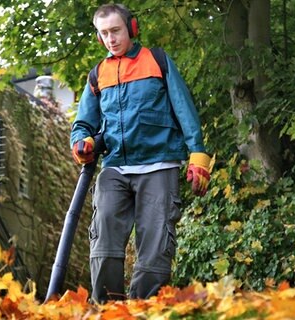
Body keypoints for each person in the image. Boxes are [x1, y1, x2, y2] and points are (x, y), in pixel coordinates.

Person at [70, 3, 212, 303]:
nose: (111, 38)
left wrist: (197, 155)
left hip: (158, 165)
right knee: (104, 233)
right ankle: (108, 307)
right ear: (99, 37)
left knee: (156, 244)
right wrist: (82, 142)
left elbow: (183, 108)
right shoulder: (97, 75)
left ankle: (145, 307)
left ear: (131, 28)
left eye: (116, 30)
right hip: (115, 167)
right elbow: (84, 122)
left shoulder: (156, 61)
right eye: (104, 33)